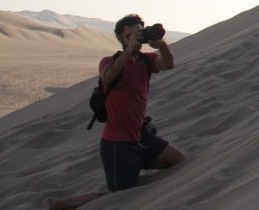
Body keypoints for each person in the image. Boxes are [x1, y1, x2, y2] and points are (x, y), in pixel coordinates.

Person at [46, 15, 184, 210]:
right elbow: (108, 77)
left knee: (177, 159)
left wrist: (161, 45)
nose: (135, 38)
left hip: (140, 135)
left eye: (138, 33)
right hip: (118, 143)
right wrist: (128, 52)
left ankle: (138, 162)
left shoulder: (146, 61)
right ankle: (61, 204)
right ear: (120, 38)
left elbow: (168, 64)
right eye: (129, 35)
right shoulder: (109, 62)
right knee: (118, 197)